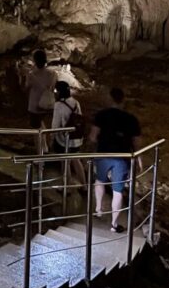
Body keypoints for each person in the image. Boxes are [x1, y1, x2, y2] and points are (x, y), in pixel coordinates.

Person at [89, 88, 142, 233]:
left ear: (109, 99)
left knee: (99, 181)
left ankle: (98, 209)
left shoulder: (101, 115)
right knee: (117, 190)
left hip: (103, 154)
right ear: (123, 100)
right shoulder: (131, 119)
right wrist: (138, 158)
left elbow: (93, 137)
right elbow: (137, 143)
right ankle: (114, 224)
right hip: (122, 158)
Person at [51, 81, 86, 186]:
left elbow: (55, 124)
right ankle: (84, 185)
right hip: (76, 138)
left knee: (64, 162)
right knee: (76, 161)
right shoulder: (75, 102)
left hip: (63, 139)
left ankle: (66, 186)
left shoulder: (58, 105)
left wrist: (51, 136)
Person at [25, 50, 56, 152]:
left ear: (35, 60)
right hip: (47, 105)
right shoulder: (52, 73)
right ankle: (45, 147)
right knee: (41, 124)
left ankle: (39, 154)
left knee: (36, 130)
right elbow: (53, 87)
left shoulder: (32, 74)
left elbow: (26, 87)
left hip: (35, 107)